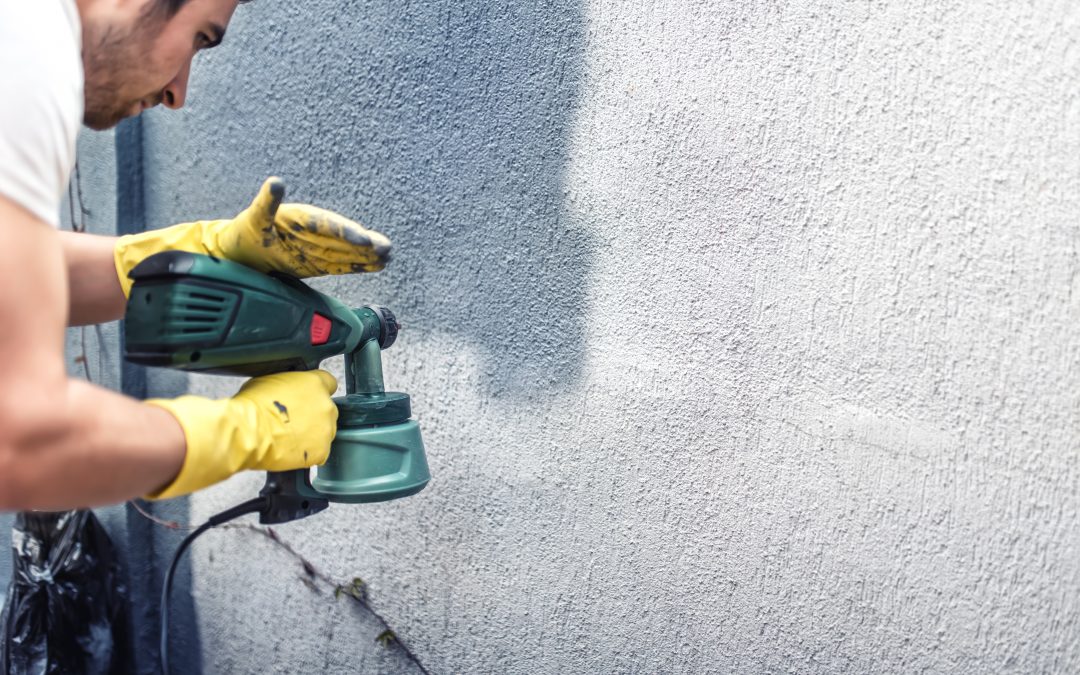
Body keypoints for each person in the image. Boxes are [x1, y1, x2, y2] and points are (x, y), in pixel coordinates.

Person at [0, 0, 390, 508]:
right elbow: (22, 445)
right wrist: (242, 433)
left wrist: (192, 250)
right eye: (200, 39)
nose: (177, 92)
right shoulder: (31, 54)